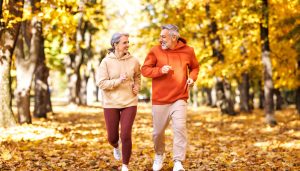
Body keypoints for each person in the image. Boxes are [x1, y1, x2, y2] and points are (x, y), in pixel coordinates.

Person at [141, 24, 199, 171]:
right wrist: (160, 70)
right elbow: (145, 70)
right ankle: (159, 154)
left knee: (180, 128)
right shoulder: (155, 51)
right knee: (158, 132)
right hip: (160, 99)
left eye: (163, 37)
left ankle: (178, 161)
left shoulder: (188, 51)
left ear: (174, 37)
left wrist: (192, 78)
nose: (160, 39)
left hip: (180, 97)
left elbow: (195, 67)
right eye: (160, 36)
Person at [96, 32, 141, 171]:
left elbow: (138, 76)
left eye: (128, 42)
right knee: (112, 137)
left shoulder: (134, 60)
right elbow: (101, 83)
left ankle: (125, 165)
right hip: (111, 103)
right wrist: (118, 81)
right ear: (115, 44)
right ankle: (116, 146)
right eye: (124, 42)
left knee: (126, 134)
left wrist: (137, 86)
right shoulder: (106, 62)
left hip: (129, 102)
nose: (128, 45)